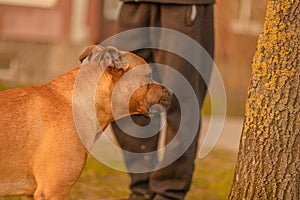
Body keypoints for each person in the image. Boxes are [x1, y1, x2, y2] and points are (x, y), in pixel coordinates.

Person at [111, 0, 215, 199]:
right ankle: (142, 189)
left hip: (182, 7)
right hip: (134, 5)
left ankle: (168, 193)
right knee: (123, 94)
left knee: (181, 100)